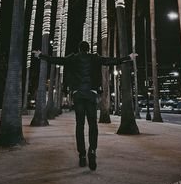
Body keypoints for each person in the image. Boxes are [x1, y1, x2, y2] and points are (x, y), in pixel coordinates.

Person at [33, 41, 137, 171]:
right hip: (91, 94)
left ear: (79, 49)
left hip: (78, 95)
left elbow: (56, 60)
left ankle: (82, 155)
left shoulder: (73, 58)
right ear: (88, 49)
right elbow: (111, 61)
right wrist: (128, 57)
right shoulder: (95, 58)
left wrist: (41, 55)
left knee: (80, 125)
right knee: (93, 125)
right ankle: (92, 151)